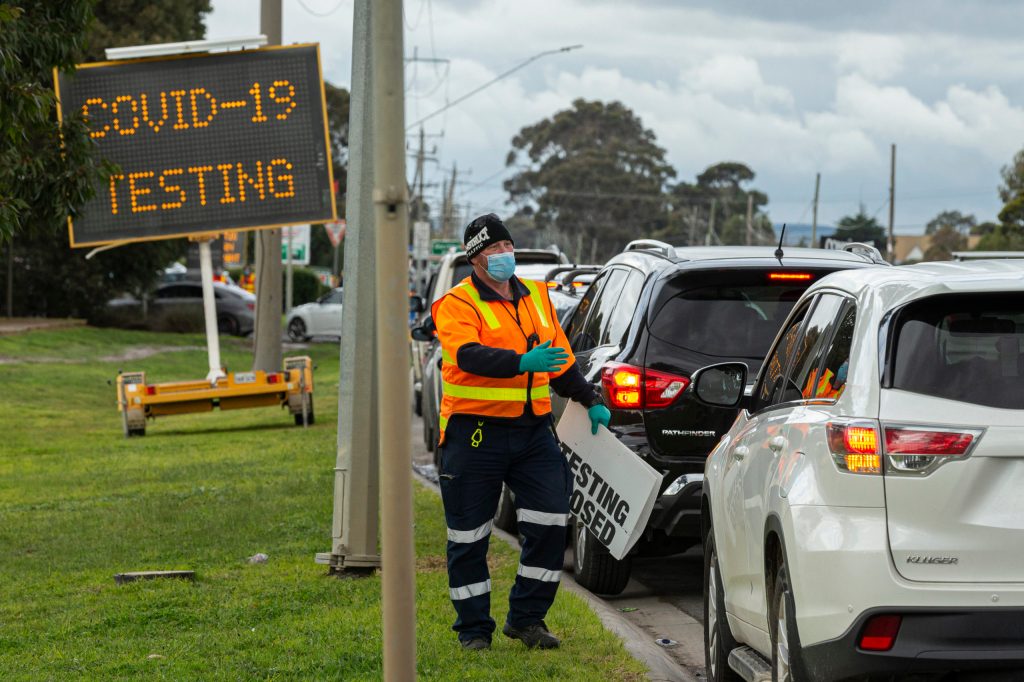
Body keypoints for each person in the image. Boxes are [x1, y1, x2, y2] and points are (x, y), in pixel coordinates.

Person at [431, 213, 611, 651]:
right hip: (475, 433)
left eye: (506, 247)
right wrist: (519, 363)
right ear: (475, 260)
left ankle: (526, 619)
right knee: (469, 536)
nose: (503, 256)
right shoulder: (456, 304)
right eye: (493, 251)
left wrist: (589, 399)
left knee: (551, 522)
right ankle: (473, 631)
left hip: (532, 432)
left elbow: (560, 359)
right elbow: (469, 356)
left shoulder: (537, 296)